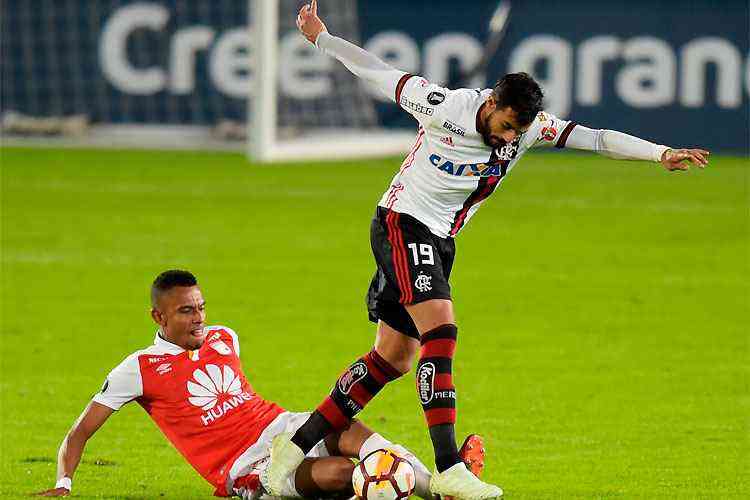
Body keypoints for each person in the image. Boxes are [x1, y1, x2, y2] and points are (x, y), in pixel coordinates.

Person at [264, 2, 711, 499]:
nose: (509, 138)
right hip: (401, 223)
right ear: (492, 102)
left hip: (439, 240)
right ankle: (450, 466)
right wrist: (321, 37)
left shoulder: (528, 130)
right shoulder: (442, 105)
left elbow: (596, 138)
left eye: (519, 131)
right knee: (442, 329)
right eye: (506, 126)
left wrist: (660, 153)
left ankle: (293, 447)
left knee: (393, 358)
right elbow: (377, 71)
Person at [33, 270, 457, 499]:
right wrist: (64, 483)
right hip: (242, 465)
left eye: (200, 307)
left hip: (281, 426)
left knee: (352, 430)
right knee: (343, 474)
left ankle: (438, 490)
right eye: (185, 311)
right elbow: (80, 432)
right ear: (158, 318)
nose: (198, 317)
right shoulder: (138, 369)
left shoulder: (224, 336)